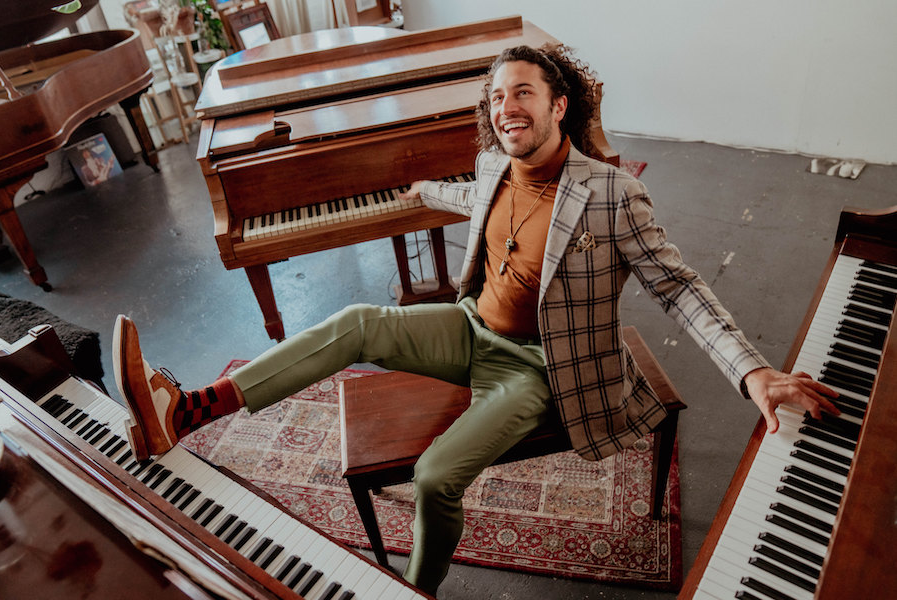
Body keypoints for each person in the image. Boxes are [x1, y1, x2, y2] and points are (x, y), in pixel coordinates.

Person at [114, 43, 839, 596]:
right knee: (358, 321)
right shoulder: (495, 165)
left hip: (539, 368)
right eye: (496, 98)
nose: (505, 108)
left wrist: (753, 373)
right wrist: (410, 186)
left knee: (435, 478)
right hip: (470, 327)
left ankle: (413, 588)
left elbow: (680, 290)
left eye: (522, 92)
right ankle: (191, 410)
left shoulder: (612, 195)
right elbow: (468, 195)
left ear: (561, 105)